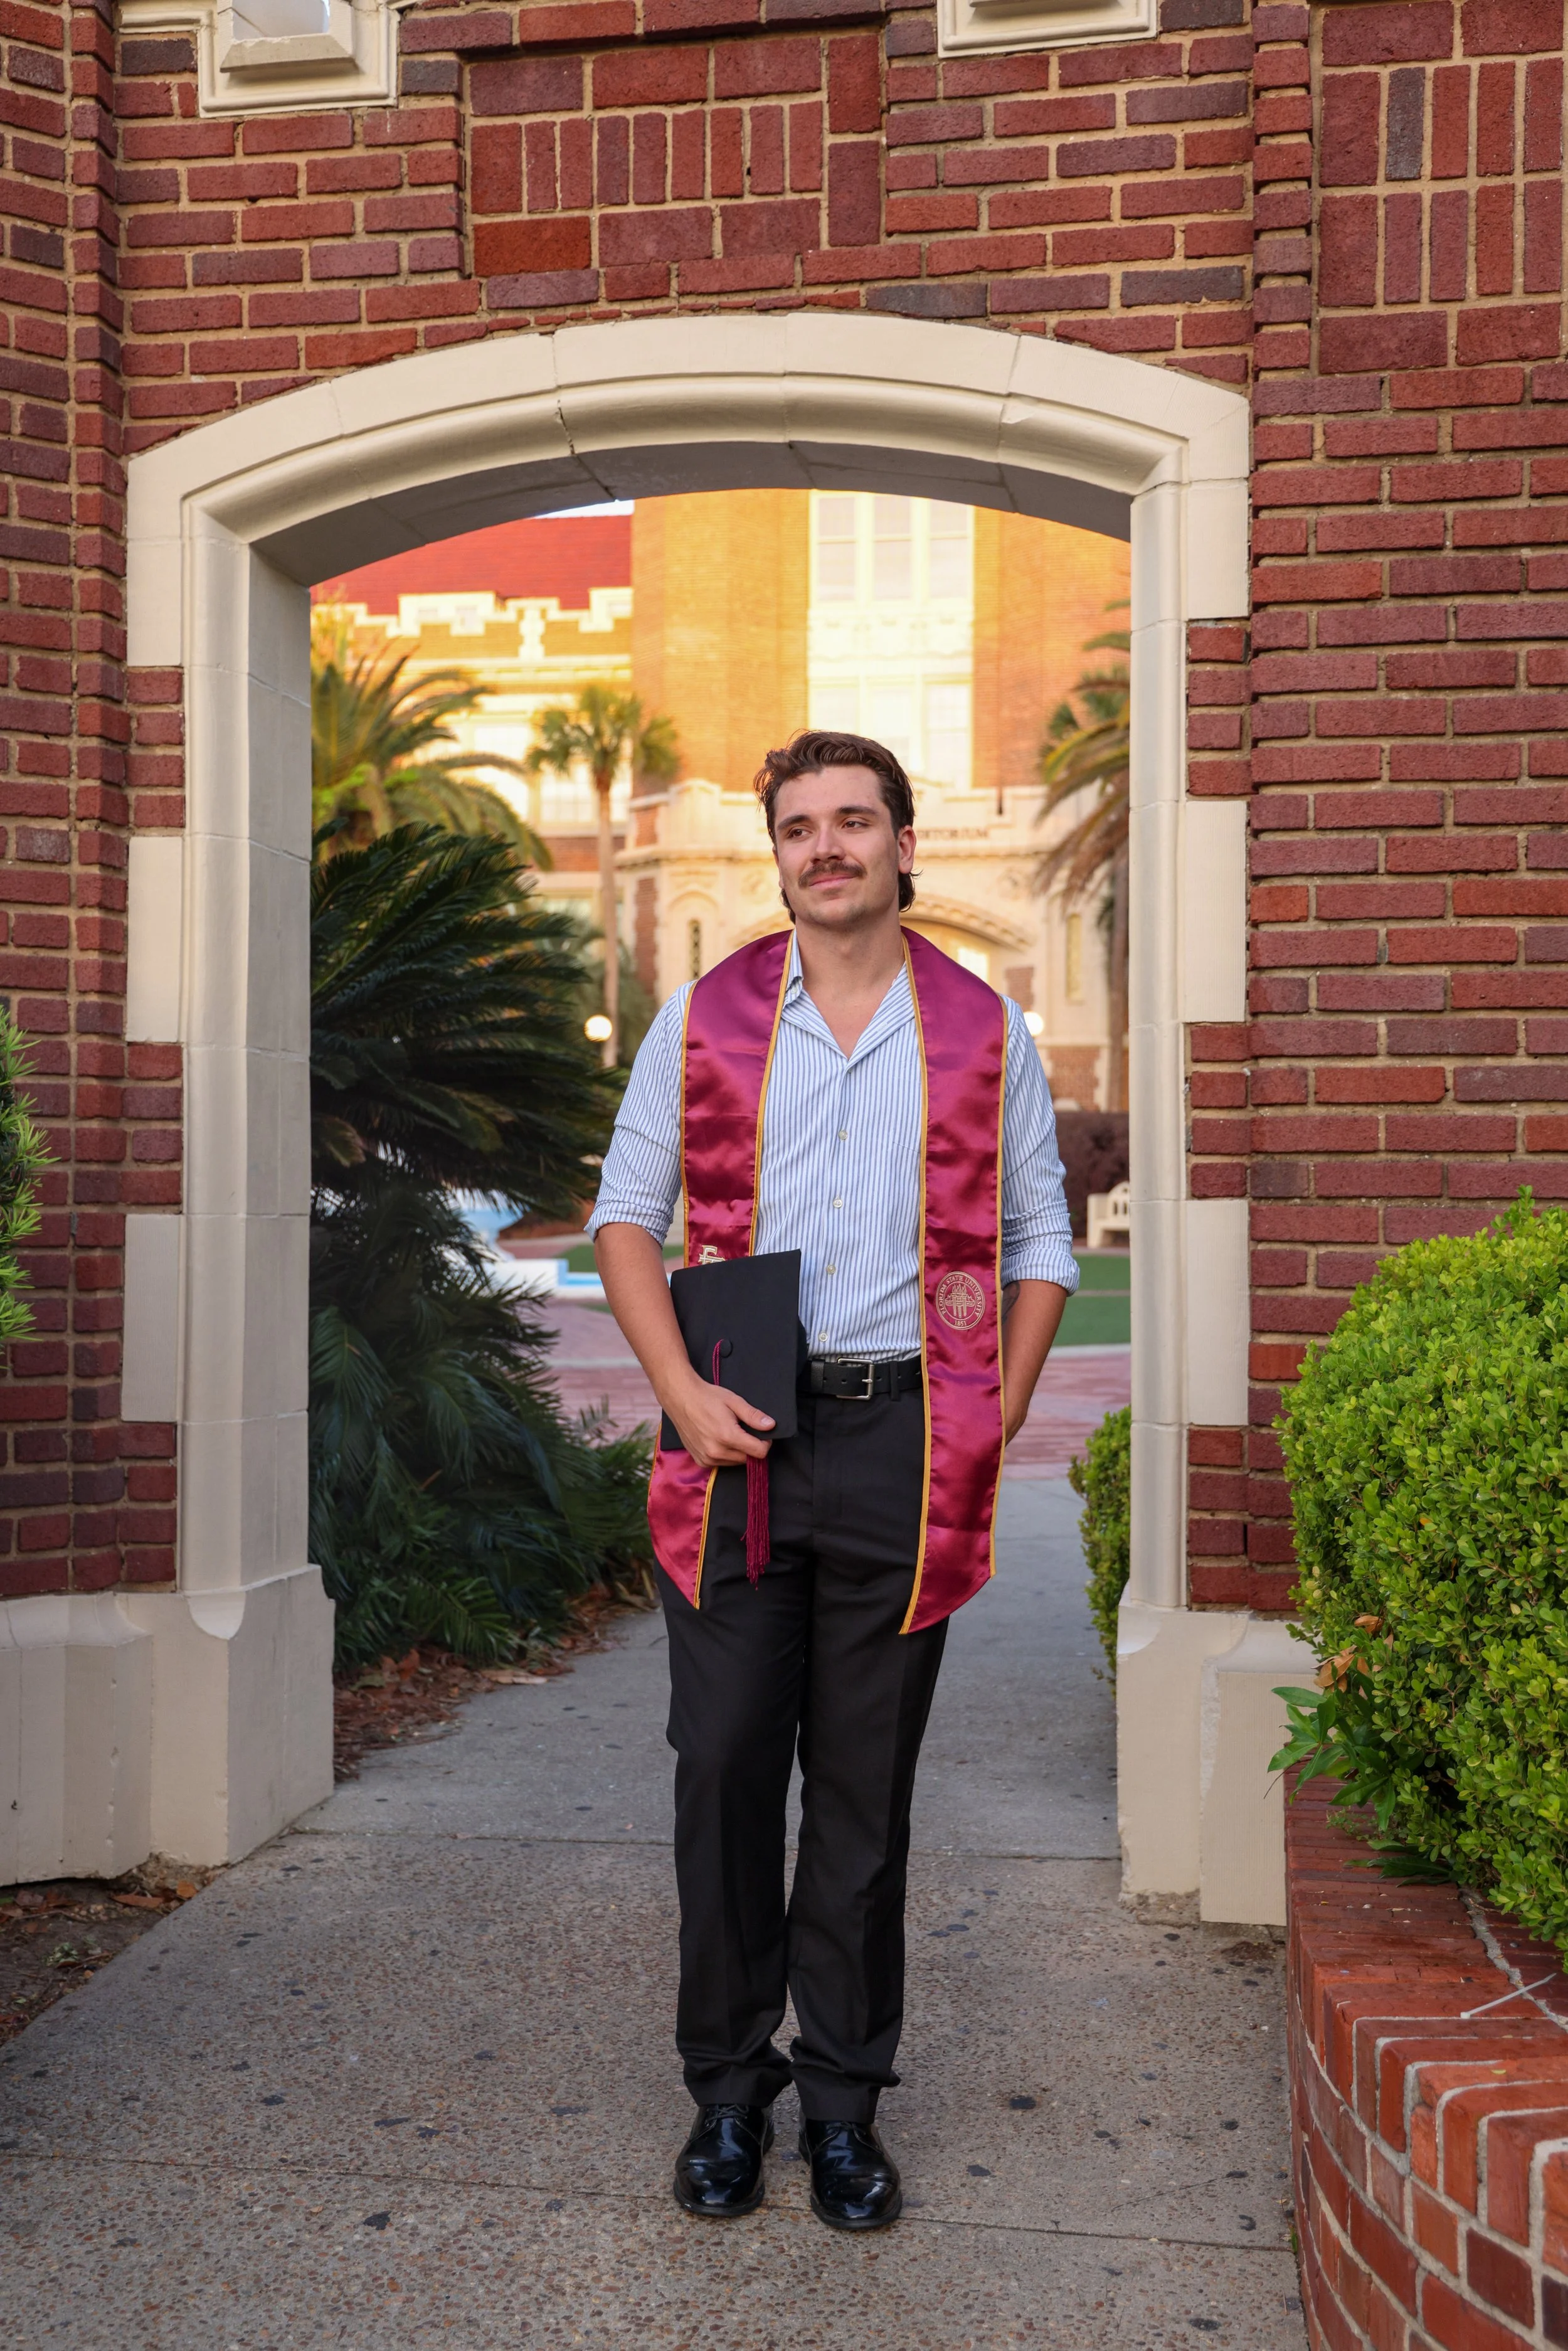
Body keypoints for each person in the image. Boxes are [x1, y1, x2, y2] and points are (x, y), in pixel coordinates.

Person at [590, 730, 1078, 2232]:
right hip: (736, 1435)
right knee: (726, 1767)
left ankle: (846, 2104)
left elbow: (1039, 1245)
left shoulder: (986, 1032)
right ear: (777, 853)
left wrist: (985, 1416)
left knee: (862, 1797)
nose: (826, 848)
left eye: (852, 821)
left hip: (901, 1444)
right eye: (799, 827)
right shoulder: (700, 1021)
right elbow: (624, 1218)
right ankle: (727, 2095)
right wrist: (678, 1391)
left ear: (901, 844)